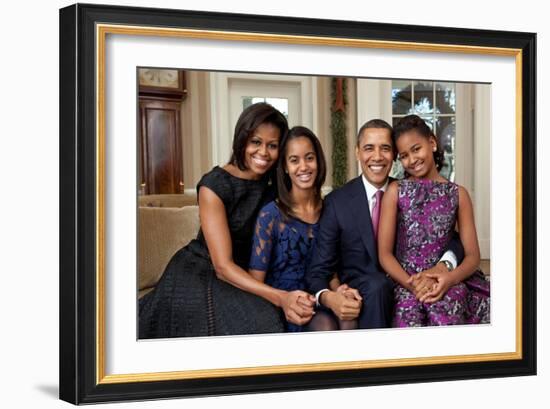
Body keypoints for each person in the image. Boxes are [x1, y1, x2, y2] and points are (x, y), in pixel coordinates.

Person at [139, 102, 304, 338]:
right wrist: (280, 296)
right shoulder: (214, 185)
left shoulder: (275, 184)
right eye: (256, 142)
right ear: (242, 139)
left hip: (246, 272)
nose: (263, 152)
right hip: (202, 272)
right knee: (261, 321)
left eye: (273, 145)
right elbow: (223, 267)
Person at [306, 119, 464, 330]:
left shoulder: (411, 191)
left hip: (413, 284)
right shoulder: (337, 203)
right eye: (369, 148)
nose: (377, 156)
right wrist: (331, 295)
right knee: (376, 286)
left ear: (394, 156)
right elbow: (318, 270)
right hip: (365, 293)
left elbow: (450, 237)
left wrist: (445, 264)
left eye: (386, 149)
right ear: (357, 152)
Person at [378, 114, 490, 327]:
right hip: (406, 280)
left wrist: (449, 279)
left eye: (416, 149)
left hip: (446, 279)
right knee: (407, 308)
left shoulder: (459, 194)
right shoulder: (396, 191)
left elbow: (473, 256)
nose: (411, 160)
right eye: (404, 155)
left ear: (432, 143)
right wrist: (412, 285)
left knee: (450, 302)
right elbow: (384, 254)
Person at [248, 126, 325, 332]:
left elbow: (334, 267)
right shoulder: (270, 215)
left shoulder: (330, 209)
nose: (303, 167)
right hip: (282, 305)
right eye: (294, 160)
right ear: (284, 166)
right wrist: (284, 300)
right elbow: (256, 283)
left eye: (309, 158)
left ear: (318, 161)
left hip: (320, 299)